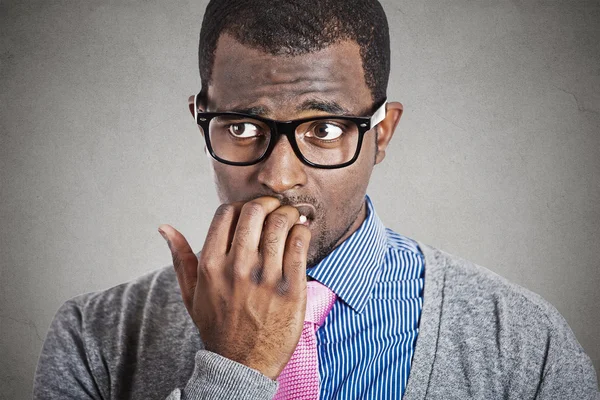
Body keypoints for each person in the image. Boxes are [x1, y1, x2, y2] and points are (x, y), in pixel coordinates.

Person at [33, 0, 599, 399]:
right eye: (243, 127)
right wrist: (235, 375)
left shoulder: (520, 339)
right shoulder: (94, 338)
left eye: (325, 129)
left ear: (382, 134)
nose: (279, 176)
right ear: (200, 120)